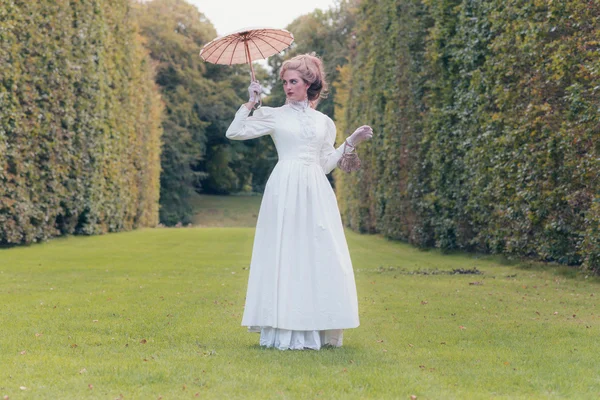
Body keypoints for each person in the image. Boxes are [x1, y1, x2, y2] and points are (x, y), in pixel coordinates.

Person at [225, 53, 373, 350]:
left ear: (309, 84)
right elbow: (235, 132)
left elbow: (326, 163)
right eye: (284, 82)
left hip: (316, 190)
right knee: (286, 251)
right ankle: (284, 328)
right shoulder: (274, 115)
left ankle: (316, 326)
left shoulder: (324, 122)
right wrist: (251, 103)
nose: (288, 87)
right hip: (284, 187)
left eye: (293, 82)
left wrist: (351, 141)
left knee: (318, 252)